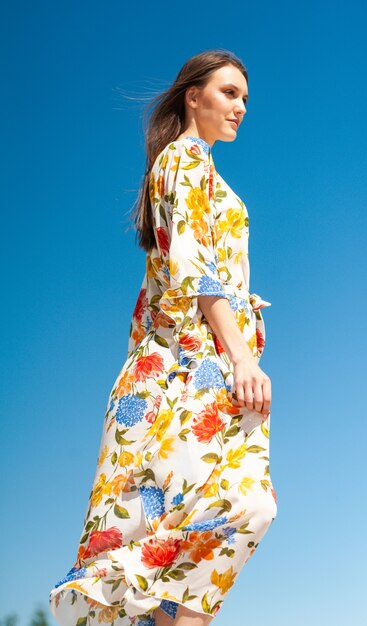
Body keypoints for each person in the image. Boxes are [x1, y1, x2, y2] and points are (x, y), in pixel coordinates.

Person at [49, 49, 278, 626]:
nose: (241, 107)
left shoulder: (211, 177)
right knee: (212, 511)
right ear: (192, 97)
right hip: (177, 374)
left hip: (214, 372)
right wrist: (243, 355)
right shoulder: (179, 162)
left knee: (240, 508)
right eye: (229, 93)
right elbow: (194, 268)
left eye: (245, 98)